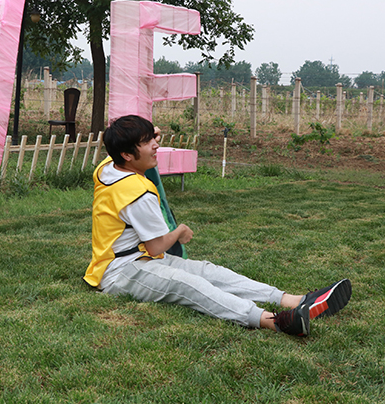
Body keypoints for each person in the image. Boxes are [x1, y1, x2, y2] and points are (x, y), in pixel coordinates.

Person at [84, 115, 351, 337]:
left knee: (207, 271)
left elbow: (126, 150)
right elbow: (156, 247)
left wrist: (144, 135)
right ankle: (275, 321)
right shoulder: (137, 193)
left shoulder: (108, 167)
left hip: (141, 260)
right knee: (187, 284)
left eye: (152, 138)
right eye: (147, 142)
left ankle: (294, 300)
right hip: (121, 272)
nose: (156, 145)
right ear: (127, 154)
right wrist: (179, 232)